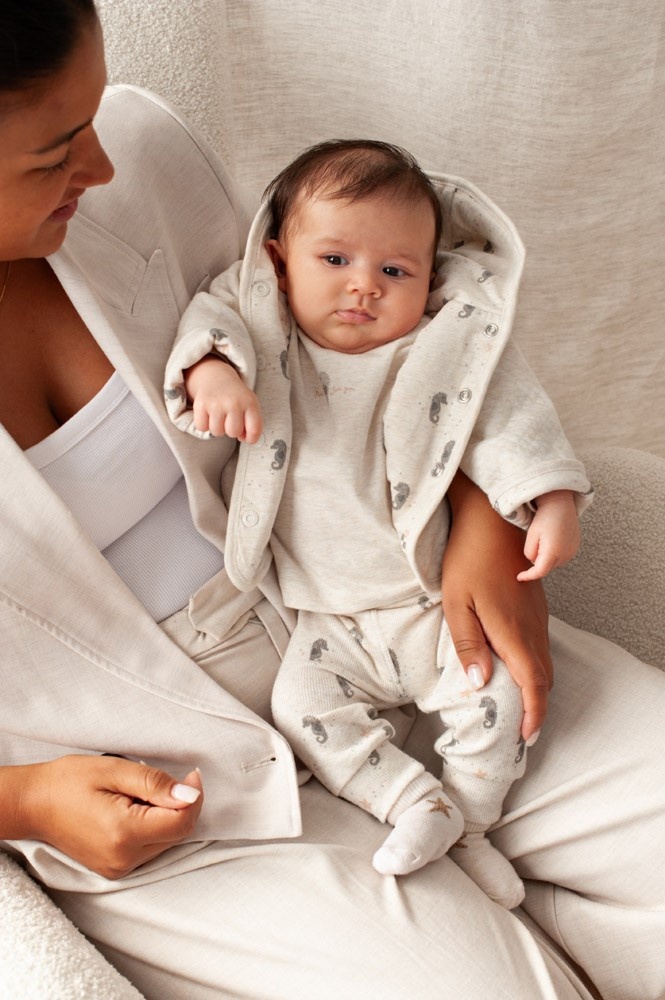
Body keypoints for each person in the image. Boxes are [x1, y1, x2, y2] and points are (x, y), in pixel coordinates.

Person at [0, 2, 663, 999]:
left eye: (89, 119)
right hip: (168, 786)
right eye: (55, 152)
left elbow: (376, 336)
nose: (99, 165)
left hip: (389, 607)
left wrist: (484, 510)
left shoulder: (140, 165)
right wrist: (21, 803)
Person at [165, 139, 592, 909]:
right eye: (334, 260)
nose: (363, 285)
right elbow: (211, 316)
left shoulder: (440, 348)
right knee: (301, 712)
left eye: (395, 271)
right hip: (328, 621)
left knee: (500, 704)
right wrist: (213, 371)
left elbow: (511, 421)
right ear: (279, 261)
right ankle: (413, 802)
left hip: (433, 605)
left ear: (429, 280)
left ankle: (471, 825)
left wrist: (551, 498)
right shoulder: (266, 331)